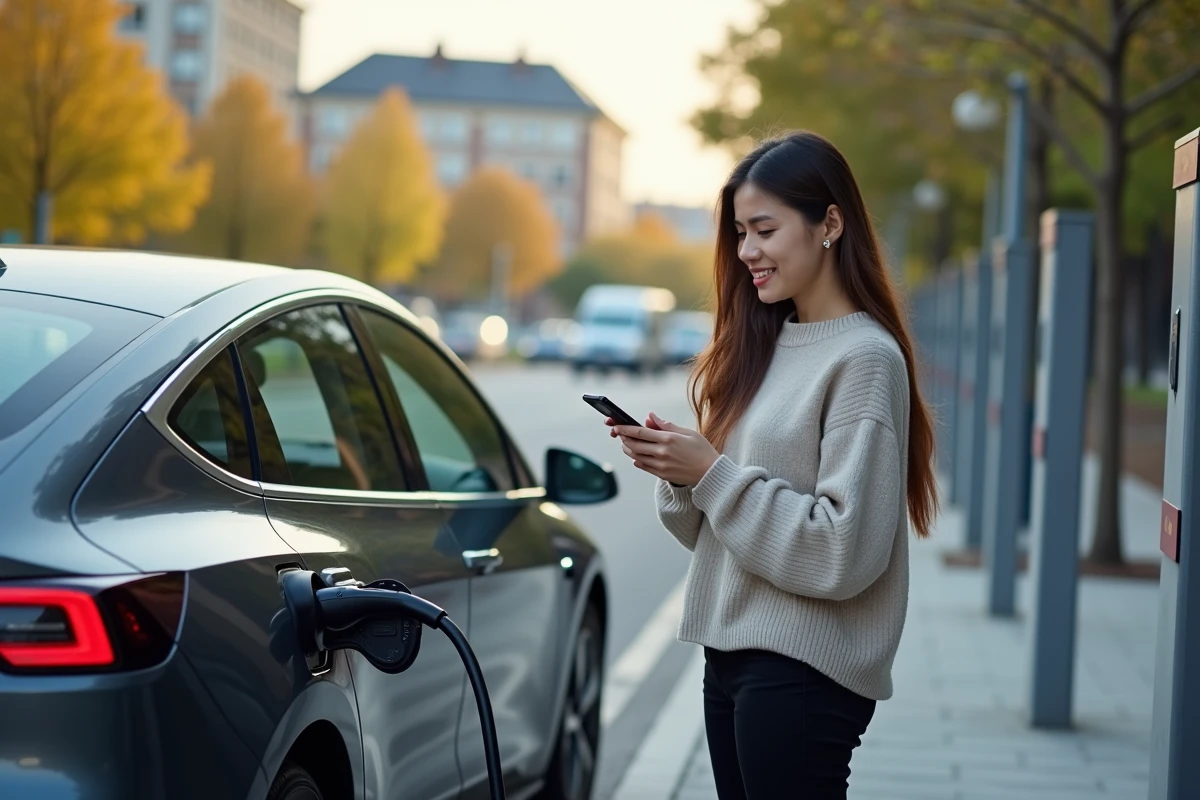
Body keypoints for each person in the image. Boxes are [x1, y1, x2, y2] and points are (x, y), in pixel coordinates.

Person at [606, 131, 938, 799]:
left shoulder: (865, 360)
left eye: (763, 229)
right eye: (738, 232)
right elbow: (713, 531)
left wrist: (713, 474)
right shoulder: (765, 342)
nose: (745, 252)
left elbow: (843, 550)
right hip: (729, 656)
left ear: (830, 224)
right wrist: (684, 472)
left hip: (804, 668)